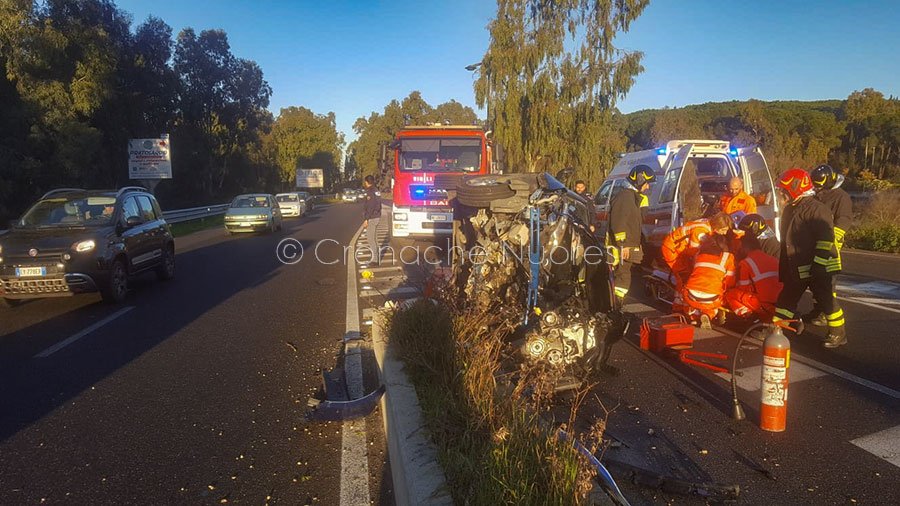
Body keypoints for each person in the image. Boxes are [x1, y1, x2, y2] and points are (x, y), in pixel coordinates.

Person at [772, 168, 846, 348]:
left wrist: (819, 265)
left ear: (795, 188)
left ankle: (838, 333)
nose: (781, 193)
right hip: (799, 264)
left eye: (783, 190)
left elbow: (825, 240)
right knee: (786, 299)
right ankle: (776, 329)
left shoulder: (817, 209)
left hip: (820, 265)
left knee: (826, 299)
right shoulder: (792, 208)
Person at [804, 164, 853, 327]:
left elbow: (843, 221)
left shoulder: (841, 197)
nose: (817, 188)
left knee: (826, 280)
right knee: (815, 279)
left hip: (829, 246)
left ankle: (828, 313)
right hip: (813, 243)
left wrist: (831, 241)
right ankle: (818, 309)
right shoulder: (819, 194)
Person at [607, 165, 655, 302]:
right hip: (622, 246)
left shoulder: (632, 197)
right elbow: (619, 222)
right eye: (647, 184)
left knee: (623, 274)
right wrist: (623, 245)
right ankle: (616, 304)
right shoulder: (625, 197)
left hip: (626, 245)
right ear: (639, 181)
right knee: (623, 275)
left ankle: (616, 302)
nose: (648, 187)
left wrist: (643, 204)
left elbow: (637, 220)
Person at [681, 234, 736, 328]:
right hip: (711, 296)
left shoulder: (698, 254)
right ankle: (707, 315)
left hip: (691, 294)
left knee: (693, 302)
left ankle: (694, 317)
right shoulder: (728, 257)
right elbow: (730, 281)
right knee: (712, 306)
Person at [725, 233, 782, 321]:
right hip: (782, 301)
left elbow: (743, 288)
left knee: (731, 294)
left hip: (766, 305)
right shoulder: (772, 259)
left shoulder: (746, 263)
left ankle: (748, 315)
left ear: (745, 248)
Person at [362, 175, 383, 265]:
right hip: (377, 215)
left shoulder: (370, 192)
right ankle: (376, 257)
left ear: (367, 182)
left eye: (365, 182)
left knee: (370, 238)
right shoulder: (376, 190)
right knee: (374, 238)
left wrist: (366, 219)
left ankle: (375, 259)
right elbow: (378, 204)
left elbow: (370, 206)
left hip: (372, 217)